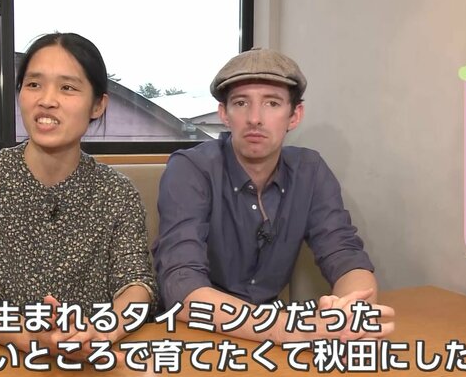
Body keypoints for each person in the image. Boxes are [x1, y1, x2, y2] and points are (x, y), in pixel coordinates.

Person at [152, 48, 394, 343]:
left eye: (272, 103)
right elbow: (180, 282)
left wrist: (351, 314)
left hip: (271, 335)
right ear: (224, 114)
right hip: (195, 332)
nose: (255, 118)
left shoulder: (309, 170)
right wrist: (289, 329)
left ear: (295, 115)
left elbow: (345, 254)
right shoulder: (191, 168)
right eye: (241, 103)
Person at [0, 32, 157, 358]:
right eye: (34, 84)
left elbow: (137, 283)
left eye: (67, 87)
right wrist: (34, 339)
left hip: (87, 362)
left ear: (98, 105)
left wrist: (102, 332)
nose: (47, 100)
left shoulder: (118, 192)